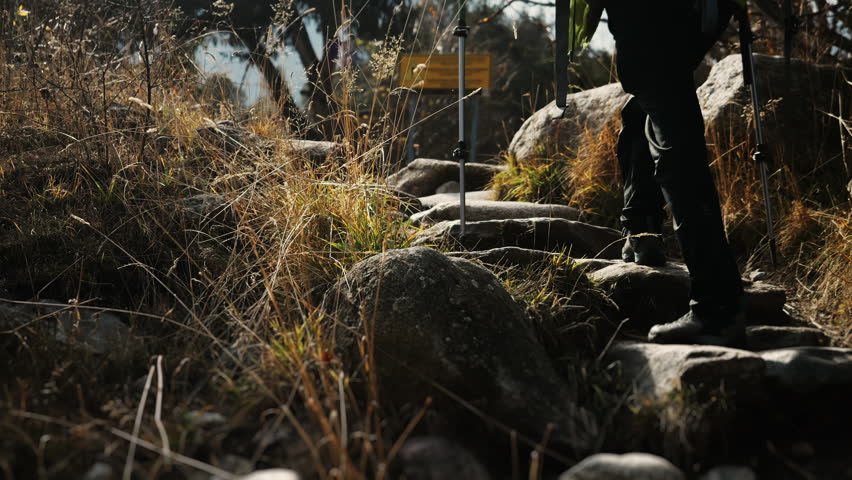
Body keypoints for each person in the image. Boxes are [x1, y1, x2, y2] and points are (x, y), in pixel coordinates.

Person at [574, 0, 747, 346]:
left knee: (675, 145)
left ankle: (717, 307)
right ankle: (644, 231)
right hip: (695, 11)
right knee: (651, 104)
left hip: (652, 15)